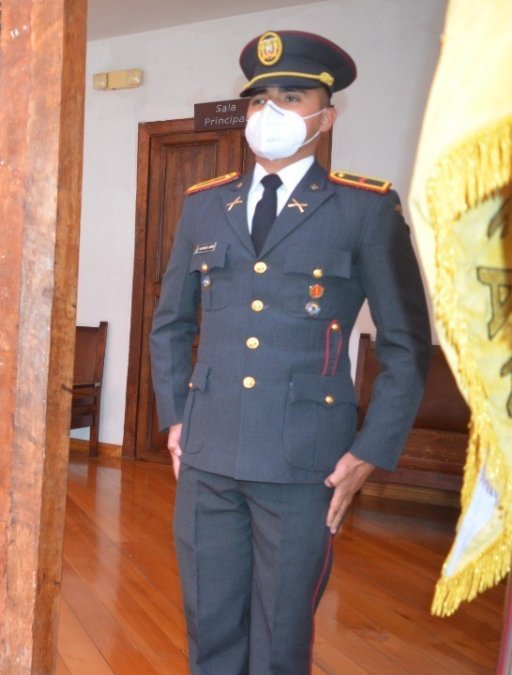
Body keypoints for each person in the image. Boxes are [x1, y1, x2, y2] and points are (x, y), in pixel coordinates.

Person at [149, 30, 431, 673]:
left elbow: (406, 345)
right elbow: (169, 323)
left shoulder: (364, 209)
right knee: (210, 630)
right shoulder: (203, 206)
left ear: (326, 116)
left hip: (306, 463)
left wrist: (369, 452)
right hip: (209, 452)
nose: (271, 113)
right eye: (258, 100)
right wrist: (174, 419)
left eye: (293, 96)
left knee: (280, 643)